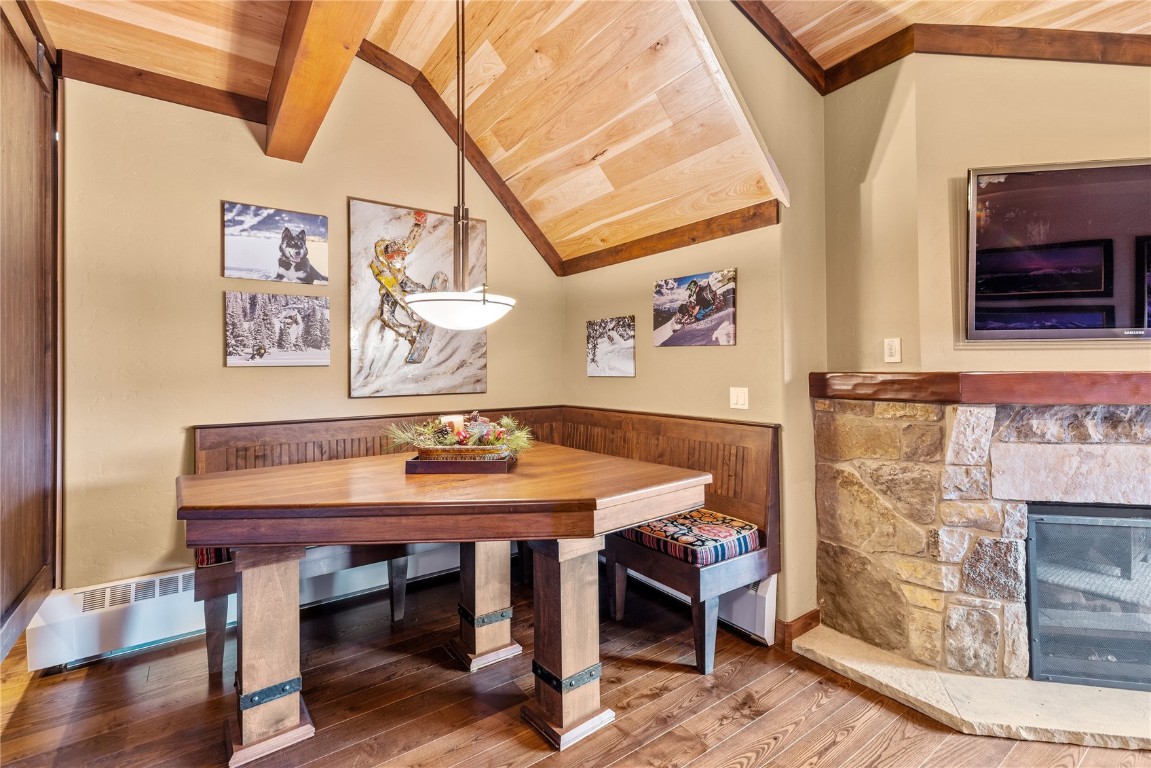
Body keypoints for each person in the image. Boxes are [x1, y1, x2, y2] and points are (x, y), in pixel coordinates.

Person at [370, 211, 430, 345]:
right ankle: (409, 334)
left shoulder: (400, 248)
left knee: (418, 290)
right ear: (388, 257)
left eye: (402, 256)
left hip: (401, 279)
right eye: (395, 257)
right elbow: (396, 292)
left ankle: (431, 296)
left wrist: (419, 223)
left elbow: (412, 240)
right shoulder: (380, 267)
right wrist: (410, 310)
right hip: (389, 288)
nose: (400, 259)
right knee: (386, 316)